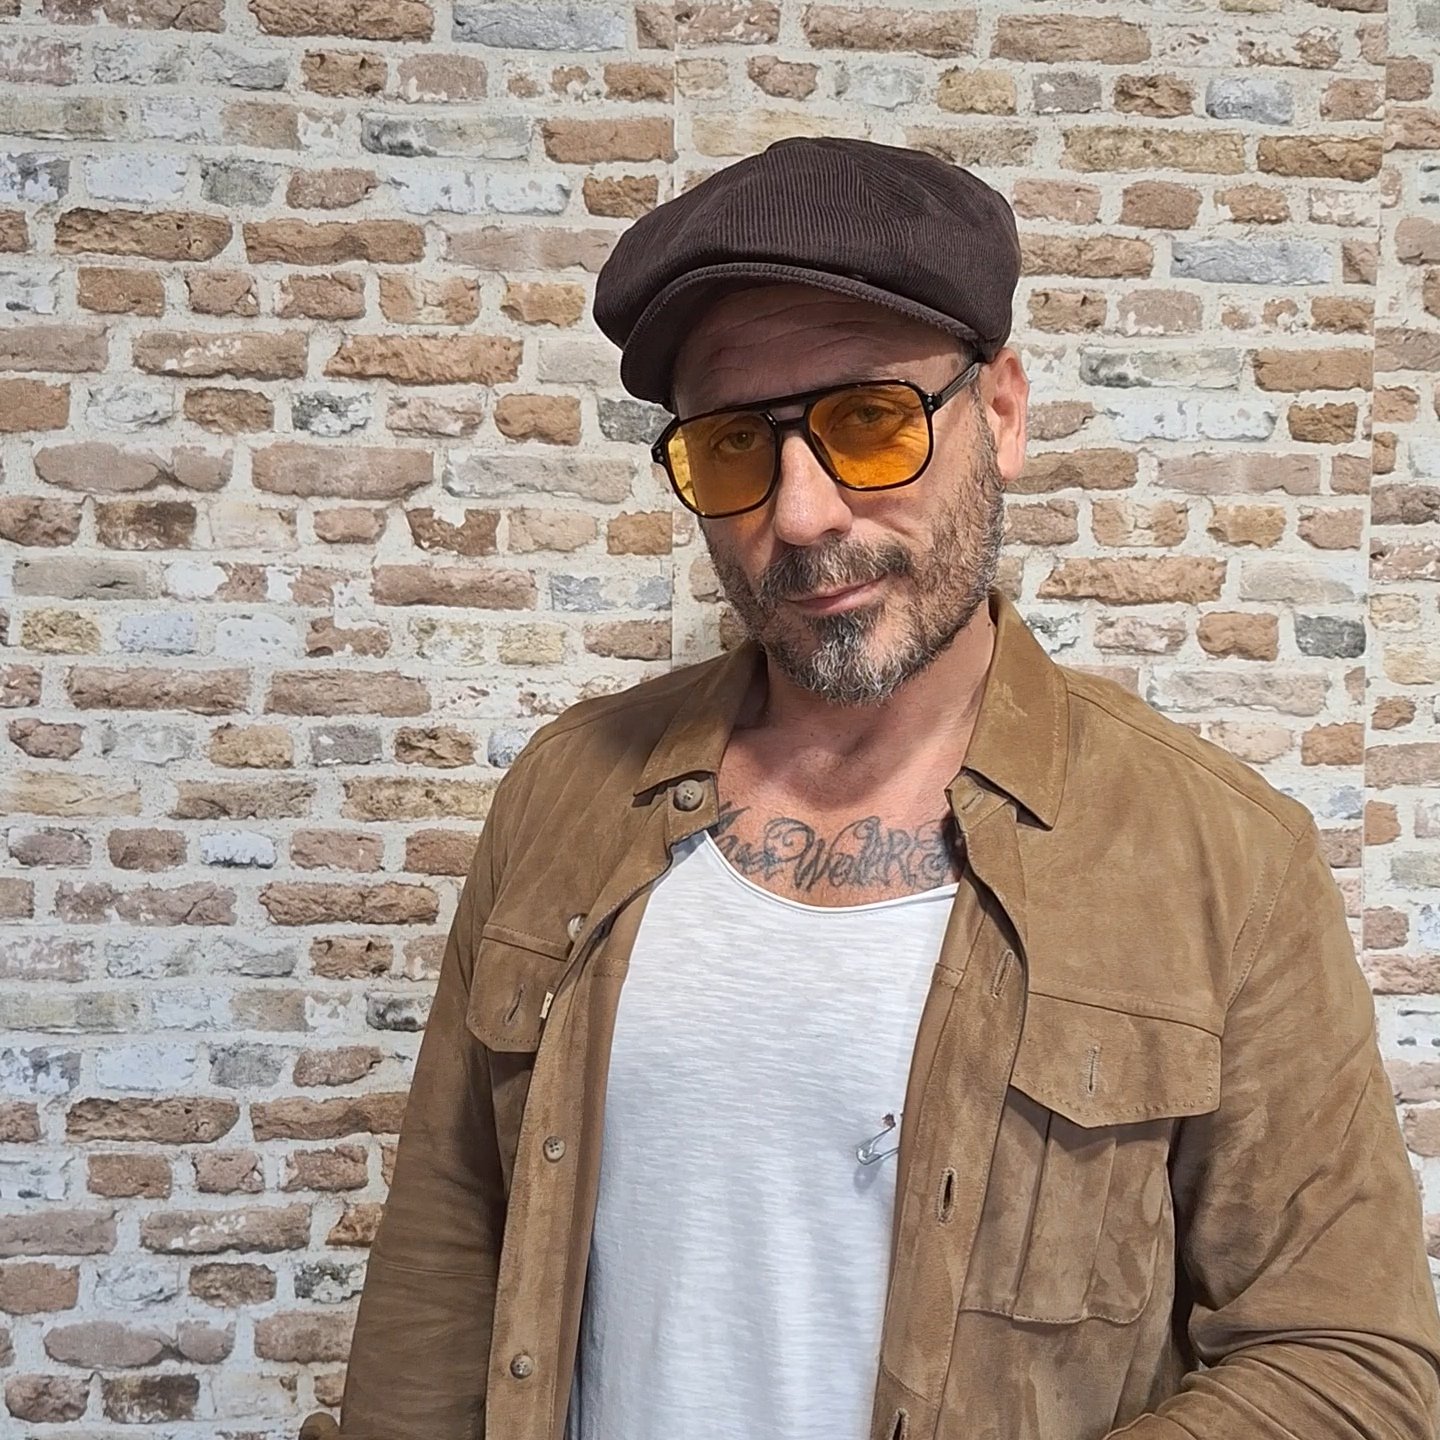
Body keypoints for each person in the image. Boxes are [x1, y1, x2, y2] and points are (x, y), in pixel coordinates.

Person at [319, 137, 1440, 1440]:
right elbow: (446, 1254)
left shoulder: (1223, 859)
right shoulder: (566, 794)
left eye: (867, 421)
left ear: (1001, 414)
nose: (800, 516)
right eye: (734, 446)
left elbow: (1351, 1365)